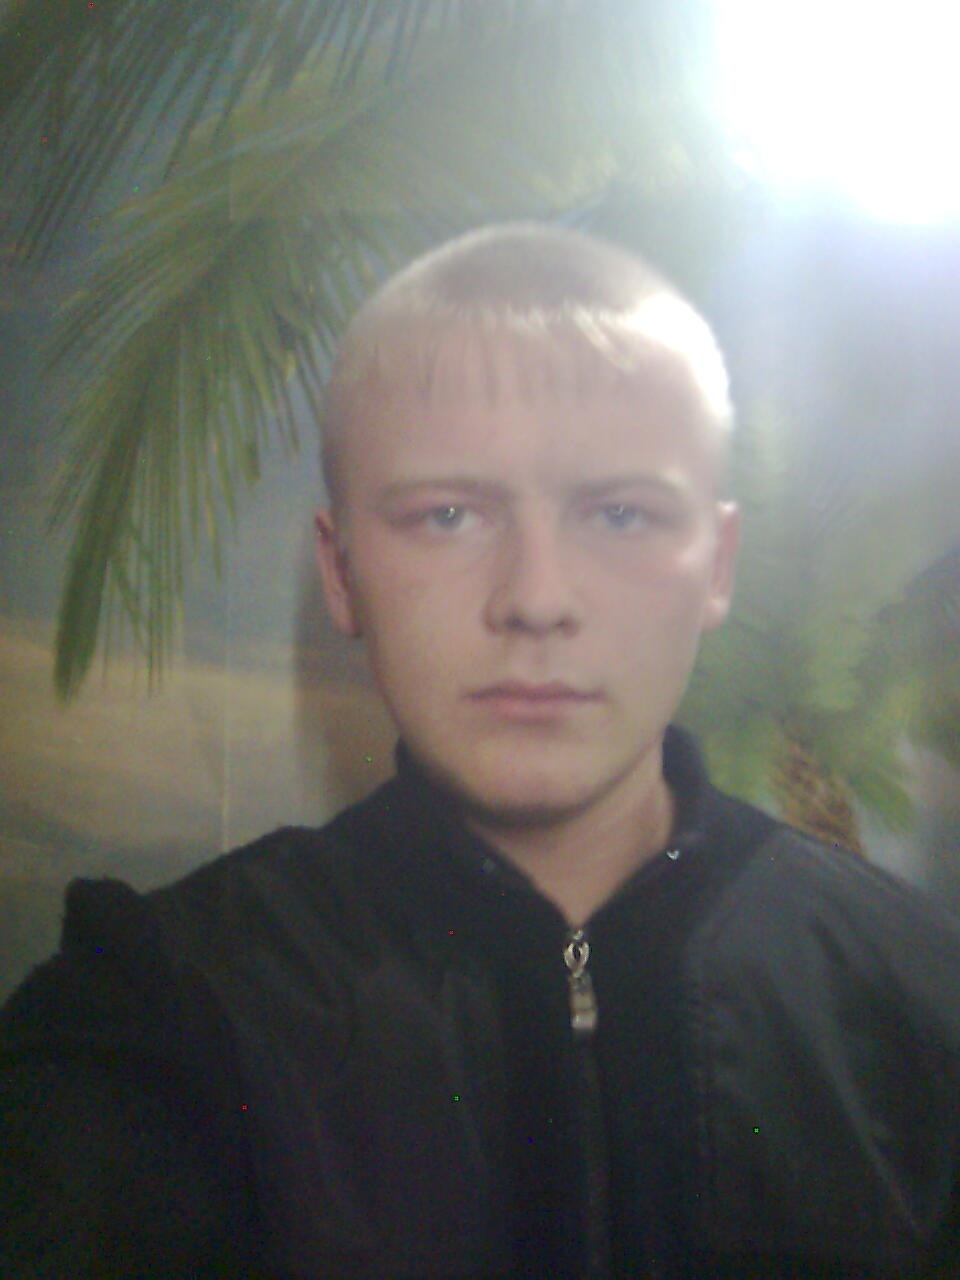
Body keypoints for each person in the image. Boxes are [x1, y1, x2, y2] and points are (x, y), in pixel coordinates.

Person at [2, 223, 959, 1279]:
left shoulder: (924, 1001)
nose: (536, 597)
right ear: (342, 570)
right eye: (447, 514)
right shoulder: (157, 1013)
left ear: (718, 566)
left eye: (622, 514)